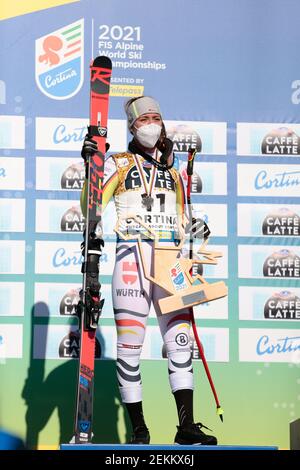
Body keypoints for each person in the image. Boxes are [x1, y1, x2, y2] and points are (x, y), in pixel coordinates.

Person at [80, 96, 217, 445]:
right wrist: (91, 168)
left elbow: (183, 217)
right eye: (145, 119)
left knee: (181, 344)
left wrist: (196, 227)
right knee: (130, 347)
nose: (153, 124)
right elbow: (90, 205)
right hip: (132, 257)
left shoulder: (174, 173)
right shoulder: (120, 163)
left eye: (157, 117)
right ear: (133, 126)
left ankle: (186, 427)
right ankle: (139, 429)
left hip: (170, 260)